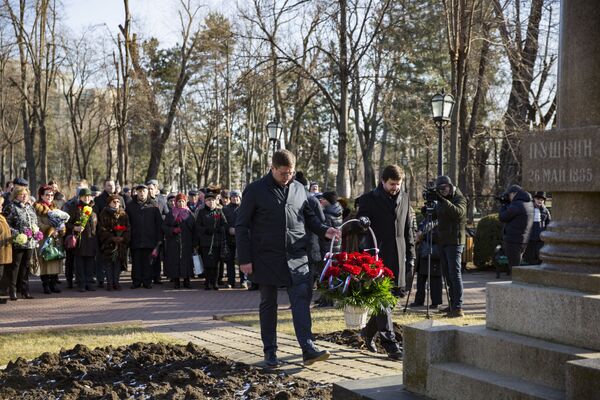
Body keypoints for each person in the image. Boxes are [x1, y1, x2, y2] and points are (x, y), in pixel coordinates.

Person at [236, 149, 339, 368]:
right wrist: (244, 258)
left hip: (297, 256)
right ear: (272, 168)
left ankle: (308, 348)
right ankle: (270, 352)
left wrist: (324, 231)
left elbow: (309, 219)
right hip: (266, 257)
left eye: (290, 173)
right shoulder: (255, 190)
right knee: (268, 304)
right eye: (283, 173)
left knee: (301, 300)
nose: (287, 177)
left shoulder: (300, 189)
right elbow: (242, 226)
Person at [356, 165, 413, 359]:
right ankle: (390, 344)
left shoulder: (405, 199)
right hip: (377, 257)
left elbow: (408, 230)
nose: (395, 187)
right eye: (391, 184)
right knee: (382, 299)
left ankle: (367, 332)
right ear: (383, 181)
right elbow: (358, 224)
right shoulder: (368, 200)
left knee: (390, 301)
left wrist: (411, 256)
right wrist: (362, 221)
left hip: (400, 256)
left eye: (398, 184)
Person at [432, 175, 467, 318]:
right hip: (443, 241)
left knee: (455, 274)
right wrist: (429, 208)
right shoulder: (441, 199)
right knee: (447, 275)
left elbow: (458, 213)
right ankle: (452, 304)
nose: (442, 191)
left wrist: (442, 200)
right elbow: (437, 216)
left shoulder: (460, 198)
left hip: (455, 242)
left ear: (450, 185)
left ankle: (458, 307)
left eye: (444, 188)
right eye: (439, 190)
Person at [126, 184, 163, 289]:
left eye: (144, 191)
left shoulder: (154, 206)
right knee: (136, 262)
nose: (142, 193)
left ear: (148, 192)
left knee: (148, 262)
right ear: (136, 192)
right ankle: (136, 282)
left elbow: (159, 223)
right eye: (140, 191)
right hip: (135, 238)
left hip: (149, 239)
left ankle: (147, 282)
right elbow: (127, 223)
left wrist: (159, 239)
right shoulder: (130, 205)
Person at [34, 185, 67, 294]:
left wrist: (62, 229)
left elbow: (62, 221)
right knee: (45, 262)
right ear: (41, 195)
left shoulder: (55, 207)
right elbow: (38, 223)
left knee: (55, 260)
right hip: (45, 238)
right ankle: (46, 285)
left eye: (52, 195)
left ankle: (53, 284)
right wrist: (50, 229)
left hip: (56, 239)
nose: (49, 197)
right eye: (47, 194)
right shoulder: (37, 207)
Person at [93, 179, 125, 288]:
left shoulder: (121, 198)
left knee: (117, 262)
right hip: (105, 238)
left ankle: (115, 282)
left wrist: (122, 236)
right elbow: (97, 219)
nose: (111, 187)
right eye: (108, 185)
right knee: (104, 261)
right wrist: (109, 236)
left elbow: (124, 216)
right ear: (104, 186)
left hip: (120, 238)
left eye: (112, 185)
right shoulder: (98, 199)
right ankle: (103, 280)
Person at [65, 188, 98, 292]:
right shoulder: (75, 208)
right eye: (85, 196)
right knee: (80, 263)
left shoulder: (94, 208)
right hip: (80, 240)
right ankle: (81, 284)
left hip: (91, 240)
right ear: (80, 197)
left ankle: (89, 283)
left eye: (89, 196)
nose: (87, 198)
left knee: (90, 263)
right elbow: (67, 223)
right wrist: (75, 228)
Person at [97, 194, 130, 291]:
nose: (116, 204)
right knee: (108, 264)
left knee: (117, 264)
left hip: (120, 244)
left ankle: (116, 282)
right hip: (108, 244)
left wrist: (123, 238)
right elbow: (101, 229)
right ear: (109, 203)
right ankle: (110, 283)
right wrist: (111, 238)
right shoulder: (104, 213)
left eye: (118, 202)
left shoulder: (123, 214)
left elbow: (128, 228)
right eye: (114, 202)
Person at [498, 184, 534, 274]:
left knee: (514, 268)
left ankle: (515, 285)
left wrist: (503, 205)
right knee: (517, 265)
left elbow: (502, 217)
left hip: (513, 241)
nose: (509, 197)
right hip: (523, 239)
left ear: (514, 194)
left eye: (509, 195)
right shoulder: (528, 203)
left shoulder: (517, 205)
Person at [163, 193, 195, 289]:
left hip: (187, 242)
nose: (180, 203)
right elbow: (164, 226)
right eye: (179, 201)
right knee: (175, 261)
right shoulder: (171, 213)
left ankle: (187, 281)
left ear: (185, 202)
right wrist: (173, 230)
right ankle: (176, 281)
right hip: (174, 242)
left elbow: (194, 228)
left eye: (182, 201)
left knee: (187, 261)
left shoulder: (189, 213)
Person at [195, 192, 227, 290]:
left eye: (213, 200)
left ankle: (215, 282)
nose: (211, 202)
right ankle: (207, 281)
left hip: (216, 242)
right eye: (209, 200)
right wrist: (206, 230)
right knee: (207, 263)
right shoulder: (201, 212)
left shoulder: (218, 211)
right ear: (205, 201)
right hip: (205, 242)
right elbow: (198, 226)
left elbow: (224, 224)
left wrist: (219, 229)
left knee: (216, 264)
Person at [410, 215, 443, 308]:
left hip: (434, 254)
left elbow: (438, 236)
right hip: (423, 253)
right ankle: (419, 300)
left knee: (435, 279)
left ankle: (435, 302)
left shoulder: (440, 220)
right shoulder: (425, 220)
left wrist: (423, 235)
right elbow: (418, 232)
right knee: (420, 278)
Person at [222, 190, 245, 288]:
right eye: (233, 197)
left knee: (242, 260)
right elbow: (223, 222)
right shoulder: (225, 209)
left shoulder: (244, 208)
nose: (235, 198)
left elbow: (247, 222)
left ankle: (243, 280)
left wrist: (239, 230)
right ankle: (231, 281)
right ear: (230, 198)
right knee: (229, 261)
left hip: (242, 238)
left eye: (237, 197)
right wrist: (228, 229)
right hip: (229, 239)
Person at [524, 191, 551, 265]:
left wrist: (545, 233)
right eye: (538, 199)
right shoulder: (529, 209)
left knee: (540, 258)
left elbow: (548, 223)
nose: (540, 201)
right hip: (530, 239)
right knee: (530, 258)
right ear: (534, 199)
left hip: (540, 239)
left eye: (542, 200)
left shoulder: (545, 211)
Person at [0, 196, 13, 303]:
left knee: (3, 275)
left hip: (5, 251)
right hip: (1, 252)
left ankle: (3, 295)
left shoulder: (2, 217)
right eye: (0, 204)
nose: (1, 206)